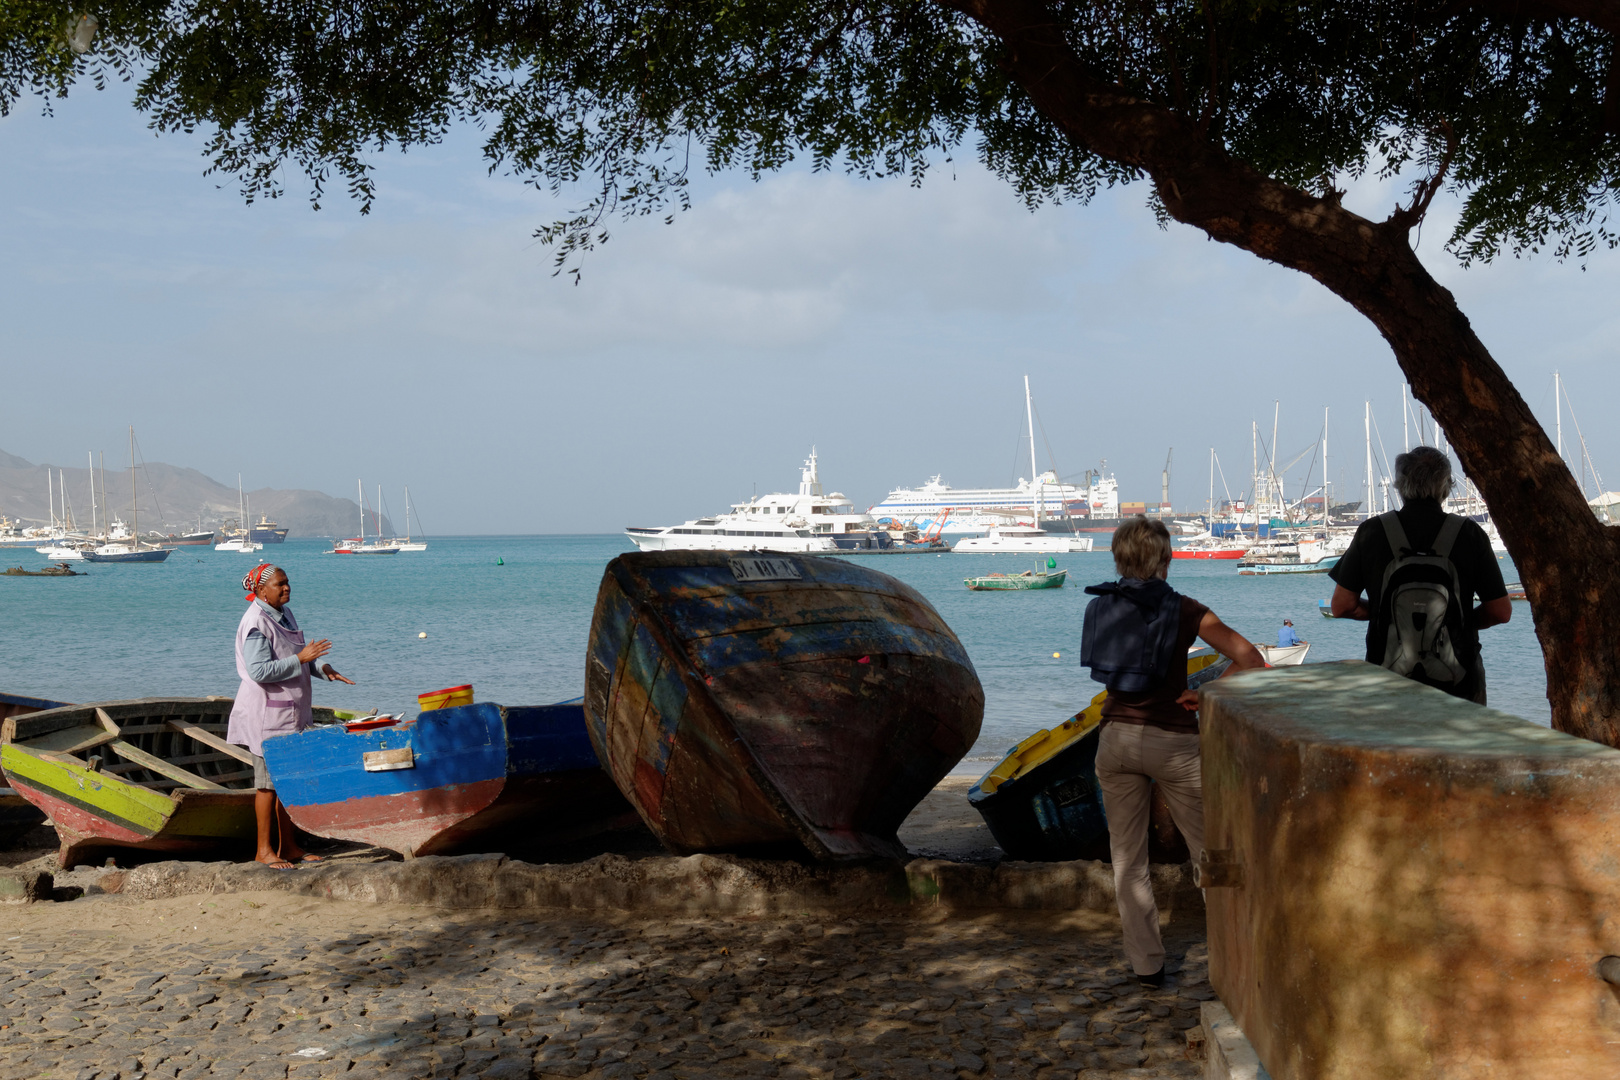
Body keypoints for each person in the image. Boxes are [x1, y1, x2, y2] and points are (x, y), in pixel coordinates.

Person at [1081, 517, 1265, 987]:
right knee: (1212, 854)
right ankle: (1236, 960)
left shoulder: (1102, 605)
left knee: (1128, 861)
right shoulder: (1186, 610)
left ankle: (1147, 968)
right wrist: (1205, 693)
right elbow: (1250, 660)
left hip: (1116, 738)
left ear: (1119, 559)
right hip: (1173, 743)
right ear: (1166, 558)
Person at [1328, 447, 1510, 704]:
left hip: (1389, 680)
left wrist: (1388, 614)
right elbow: (1500, 612)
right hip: (1459, 684)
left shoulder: (1373, 532)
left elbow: (1341, 606)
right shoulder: (1469, 534)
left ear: (1400, 485)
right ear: (1445, 486)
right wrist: (1455, 620)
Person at [227, 563, 355, 870]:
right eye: (280, 584)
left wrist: (322, 668)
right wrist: (301, 659)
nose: (287, 588)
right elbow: (259, 671)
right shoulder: (257, 622)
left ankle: (290, 846)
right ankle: (263, 852)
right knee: (266, 786)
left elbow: (296, 653)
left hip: (290, 713)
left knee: (286, 783)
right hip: (267, 713)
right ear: (261, 591)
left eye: (287, 583)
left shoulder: (282, 613)